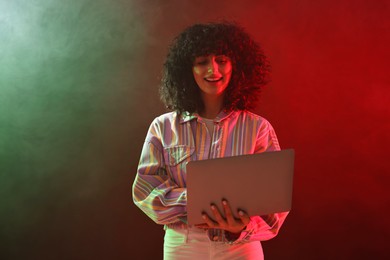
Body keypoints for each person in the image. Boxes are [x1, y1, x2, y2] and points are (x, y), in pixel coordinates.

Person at [132, 21, 289, 260]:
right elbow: (144, 191)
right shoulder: (162, 127)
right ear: (187, 69)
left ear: (236, 65)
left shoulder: (258, 128)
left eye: (222, 60)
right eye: (202, 62)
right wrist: (195, 200)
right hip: (183, 245)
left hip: (240, 248)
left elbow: (275, 209)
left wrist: (240, 228)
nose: (213, 71)